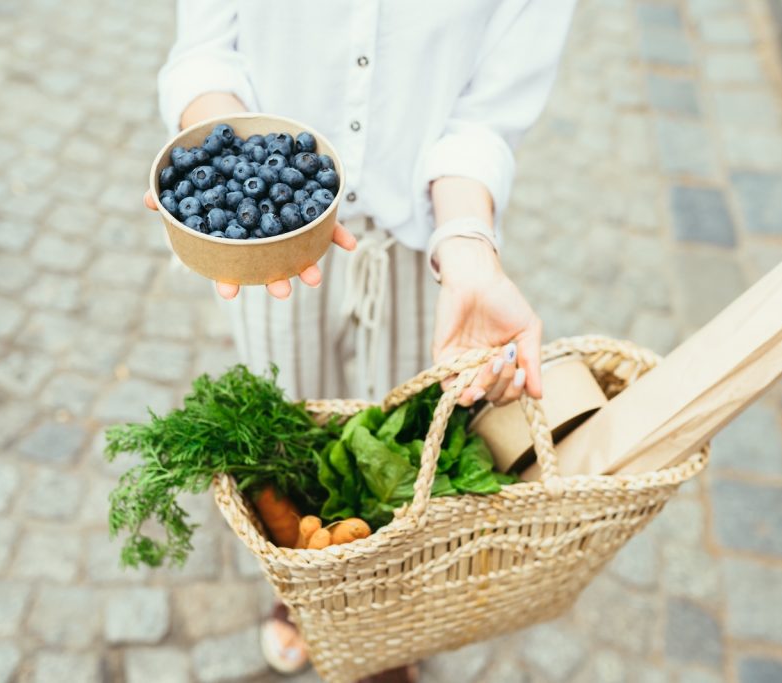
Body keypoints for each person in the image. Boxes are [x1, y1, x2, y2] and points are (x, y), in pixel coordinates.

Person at [145, 2, 576, 679]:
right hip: (267, 244)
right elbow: (205, 52)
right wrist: (224, 165)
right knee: (282, 431)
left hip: (417, 235)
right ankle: (303, 590)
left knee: (397, 456)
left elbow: (483, 119)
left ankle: (381, 620)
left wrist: (466, 244)